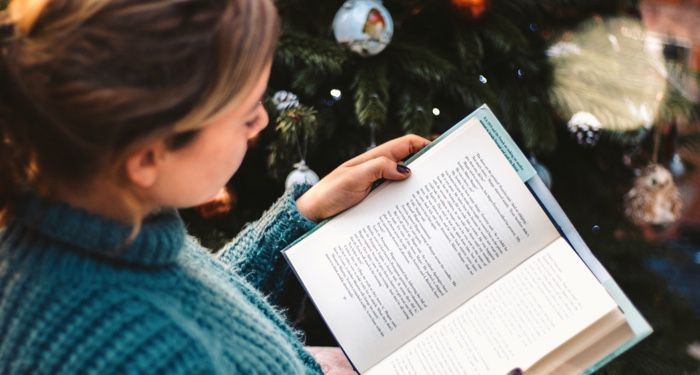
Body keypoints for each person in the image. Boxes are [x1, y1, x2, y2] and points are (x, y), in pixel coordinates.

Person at [0, 0, 430, 373]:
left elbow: (202, 310)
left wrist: (304, 214)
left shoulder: (104, 218)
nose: (263, 122)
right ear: (148, 157)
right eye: (246, 115)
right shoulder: (135, 355)